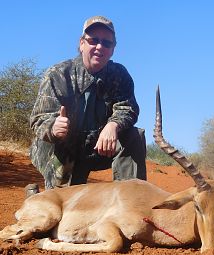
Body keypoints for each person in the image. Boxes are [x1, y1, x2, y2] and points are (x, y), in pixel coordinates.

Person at [30, 15, 147, 189]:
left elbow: (128, 108)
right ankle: (46, 196)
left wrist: (113, 125)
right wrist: (53, 126)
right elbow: (38, 119)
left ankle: (131, 199)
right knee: (66, 207)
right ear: (82, 43)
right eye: (93, 40)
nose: (100, 46)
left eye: (107, 43)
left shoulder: (120, 75)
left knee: (134, 136)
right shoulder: (58, 74)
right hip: (61, 148)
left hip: (98, 147)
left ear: (113, 49)